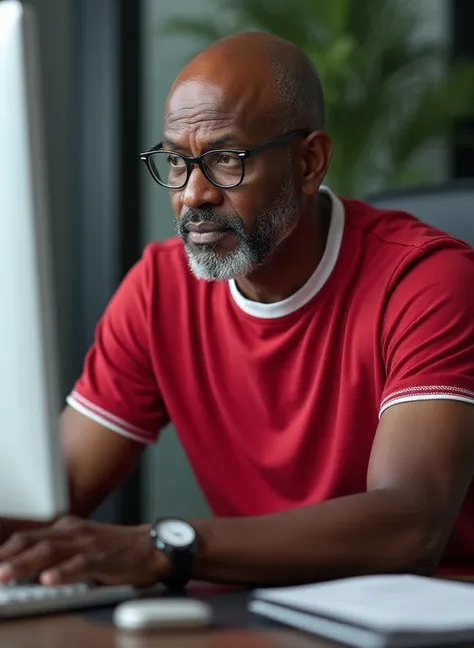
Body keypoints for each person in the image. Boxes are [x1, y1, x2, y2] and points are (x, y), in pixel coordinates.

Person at [1, 32, 474, 590]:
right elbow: (53, 493)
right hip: (252, 618)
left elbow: (409, 526)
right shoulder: (159, 288)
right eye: (177, 162)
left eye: (225, 160)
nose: (193, 194)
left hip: (425, 623)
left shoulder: (425, 281)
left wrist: (164, 547)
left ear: (309, 162)